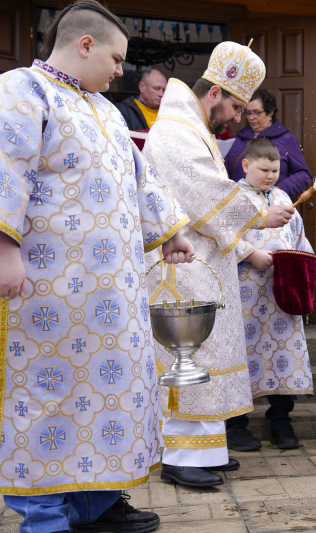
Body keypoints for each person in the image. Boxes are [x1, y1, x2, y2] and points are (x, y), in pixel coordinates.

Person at [0, 1, 194, 531]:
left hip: (113, 299)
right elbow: (4, 163)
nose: (119, 70)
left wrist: (171, 230)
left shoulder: (107, 111)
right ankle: (43, 515)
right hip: (47, 291)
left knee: (110, 398)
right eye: (115, 57)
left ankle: (95, 505)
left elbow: (141, 180)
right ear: (85, 44)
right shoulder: (21, 90)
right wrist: (4, 245)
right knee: (45, 401)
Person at [143, 42, 292, 484]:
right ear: (215, 93)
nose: (236, 118)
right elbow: (201, 191)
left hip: (200, 265)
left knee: (206, 354)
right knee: (190, 355)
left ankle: (206, 449)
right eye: (236, 107)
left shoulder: (191, 126)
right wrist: (258, 211)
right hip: (180, 268)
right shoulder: (174, 131)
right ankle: (182, 458)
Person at [226, 138, 316, 450]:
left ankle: (281, 420)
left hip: (281, 295)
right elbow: (220, 236)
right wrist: (249, 253)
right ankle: (236, 425)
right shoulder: (231, 197)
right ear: (246, 165)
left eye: (275, 169)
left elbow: (299, 238)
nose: (270, 175)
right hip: (244, 294)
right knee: (242, 354)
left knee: (284, 354)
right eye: (263, 169)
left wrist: (307, 279)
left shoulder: (282, 195)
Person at [224, 89, 312, 197]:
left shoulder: (287, 139)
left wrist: (279, 190)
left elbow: (304, 174)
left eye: (256, 112)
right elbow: (224, 173)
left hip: (272, 204)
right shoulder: (238, 139)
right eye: (248, 113)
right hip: (241, 203)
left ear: (270, 113)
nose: (251, 117)